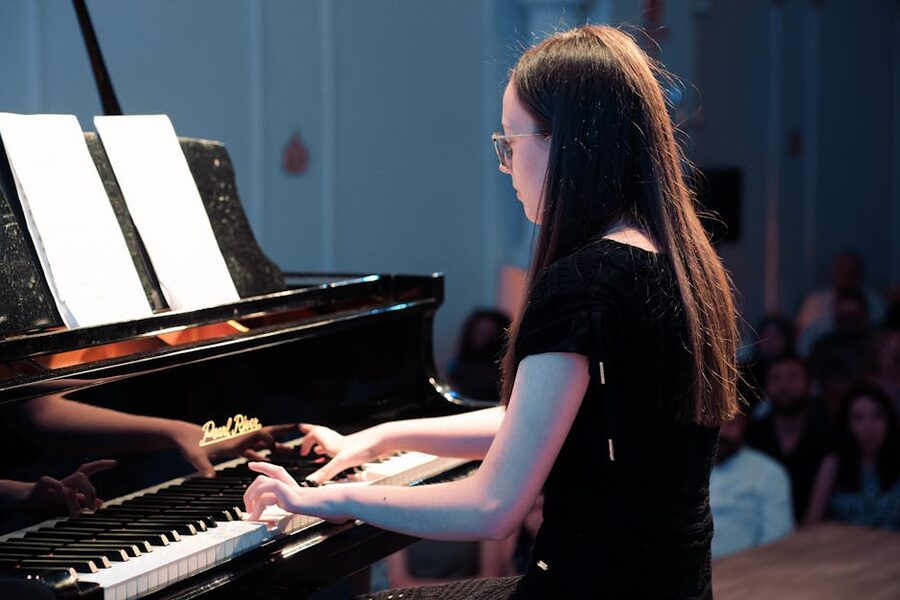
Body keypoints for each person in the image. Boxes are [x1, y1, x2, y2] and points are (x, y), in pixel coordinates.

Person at [243, 24, 739, 599]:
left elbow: (492, 507)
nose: (505, 167)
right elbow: (542, 423)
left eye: (510, 142)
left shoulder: (583, 281)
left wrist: (325, 499)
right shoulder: (679, 264)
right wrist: (381, 438)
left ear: (566, 144)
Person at [746, 355, 830, 522]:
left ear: (809, 385)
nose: (784, 386)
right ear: (766, 387)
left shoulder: (825, 435)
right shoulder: (751, 435)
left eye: (793, 377)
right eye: (776, 378)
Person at [804, 384, 900, 530]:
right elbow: (812, 523)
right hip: (843, 548)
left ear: (888, 420)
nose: (869, 426)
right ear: (847, 424)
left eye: (877, 415)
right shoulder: (833, 463)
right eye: (859, 418)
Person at [710, 411, 793, 558]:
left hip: (744, 571)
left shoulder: (768, 473)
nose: (721, 430)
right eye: (713, 422)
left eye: (731, 422)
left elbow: (776, 542)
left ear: (745, 424)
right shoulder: (679, 469)